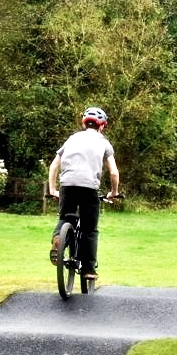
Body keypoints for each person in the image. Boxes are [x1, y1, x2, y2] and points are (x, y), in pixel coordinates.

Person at [47, 106, 121, 281]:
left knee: (66, 217)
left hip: (67, 186)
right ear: (102, 126)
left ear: (84, 124)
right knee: (89, 229)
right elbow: (114, 173)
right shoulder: (104, 142)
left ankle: (59, 238)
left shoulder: (72, 139)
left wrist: (52, 190)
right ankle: (88, 269)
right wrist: (114, 192)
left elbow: (54, 166)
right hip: (89, 188)